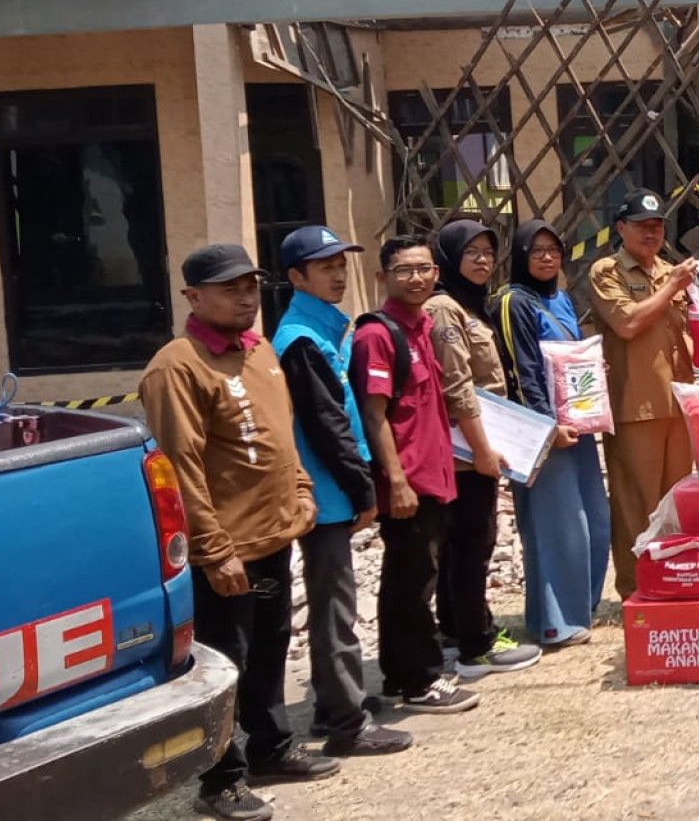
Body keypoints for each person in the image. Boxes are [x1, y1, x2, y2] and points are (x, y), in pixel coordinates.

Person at [140, 244, 340, 821]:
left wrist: (302, 490)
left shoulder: (261, 353)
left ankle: (272, 746)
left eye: (251, 286)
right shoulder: (178, 366)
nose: (247, 297)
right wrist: (212, 550)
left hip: (273, 537)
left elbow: (282, 435)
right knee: (223, 660)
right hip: (224, 551)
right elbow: (182, 466)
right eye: (230, 289)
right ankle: (219, 778)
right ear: (193, 297)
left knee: (271, 649)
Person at [271, 227, 414, 760]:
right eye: (323, 266)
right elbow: (328, 425)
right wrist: (363, 491)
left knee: (338, 601)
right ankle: (347, 725)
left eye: (340, 263)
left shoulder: (325, 329)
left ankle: (338, 704)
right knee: (336, 607)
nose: (336, 273)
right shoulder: (301, 340)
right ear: (295, 277)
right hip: (327, 494)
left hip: (335, 489)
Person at [353, 236, 481, 715]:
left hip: (433, 474)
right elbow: (374, 415)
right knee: (411, 581)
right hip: (408, 481)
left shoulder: (422, 326)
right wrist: (397, 480)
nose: (417, 278)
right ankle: (419, 681)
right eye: (405, 270)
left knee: (412, 577)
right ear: (383, 276)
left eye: (425, 269)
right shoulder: (377, 335)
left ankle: (398, 672)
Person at [427, 220, 544, 677]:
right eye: (470, 252)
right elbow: (458, 388)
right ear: (449, 259)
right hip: (467, 449)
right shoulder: (444, 308)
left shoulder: (471, 306)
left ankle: (457, 631)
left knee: (467, 542)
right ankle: (478, 643)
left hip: (480, 442)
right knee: (472, 543)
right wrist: (482, 450)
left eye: (487, 252)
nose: (481, 260)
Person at [497, 219, 614, 643]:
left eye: (553, 249)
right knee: (556, 526)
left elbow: (571, 352)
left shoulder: (561, 298)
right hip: (545, 432)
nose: (547, 257)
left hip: (578, 425)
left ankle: (582, 608)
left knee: (592, 521)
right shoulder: (513, 302)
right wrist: (547, 427)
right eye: (536, 250)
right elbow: (522, 369)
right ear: (521, 257)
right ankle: (554, 622)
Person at [585, 195, 695, 603]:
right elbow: (628, 323)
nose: (651, 232)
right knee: (637, 505)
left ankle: (675, 581)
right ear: (620, 228)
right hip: (636, 406)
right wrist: (671, 287)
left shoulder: (670, 272)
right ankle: (636, 590)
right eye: (641, 224)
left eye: (658, 224)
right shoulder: (607, 271)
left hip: (678, 404)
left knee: (677, 503)